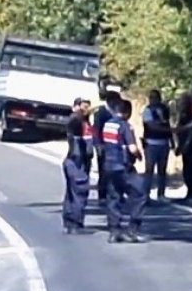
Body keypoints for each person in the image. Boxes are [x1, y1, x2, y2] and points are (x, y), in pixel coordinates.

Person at [100, 99, 145, 243]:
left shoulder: (108, 124)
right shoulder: (125, 125)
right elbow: (132, 148)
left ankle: (114, 231)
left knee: (114, 197)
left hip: (109, 166)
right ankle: (132, 230)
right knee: (140, 194)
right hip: (123, 166)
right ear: (128, 112)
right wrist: (139, 156)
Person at [62, 98, 94, 234]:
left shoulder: (86, 123)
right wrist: (79, 113)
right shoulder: (75, 121)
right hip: (76, 162)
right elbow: (72, 122)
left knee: (73, 193)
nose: (85, 110)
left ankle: (70, 222)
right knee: (78, 192)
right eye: (82, 107)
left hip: (82, 162)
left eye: (87, 107)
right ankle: (74, 223)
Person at [92, 82, 122, 205]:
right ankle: (102, 196)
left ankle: (114, 194)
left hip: (115, 146)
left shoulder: (116, 112)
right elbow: (96, 130)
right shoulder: (101, 112)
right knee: (103, 171)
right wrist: (98, 145)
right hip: (104, 146)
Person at [141, 89, 172, 201]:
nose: (153, 100)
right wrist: (172, 130)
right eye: (151, 97)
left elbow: (167, 122)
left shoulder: (164, 109)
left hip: (164, 143)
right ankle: (146, 194)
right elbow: (151, 126)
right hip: (151, 143)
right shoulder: (147, 111)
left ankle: (161, 194)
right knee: (149, 169)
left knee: (162, 170)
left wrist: (171, 140)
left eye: (155, 97)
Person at [174, 90, 192, 204]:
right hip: (185, 145)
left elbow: (191, 132)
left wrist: (185, 146)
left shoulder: (190, 115)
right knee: (186, 171)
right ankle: (190, 193)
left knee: (191, 171)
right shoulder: (183, 114)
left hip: (191, 147)